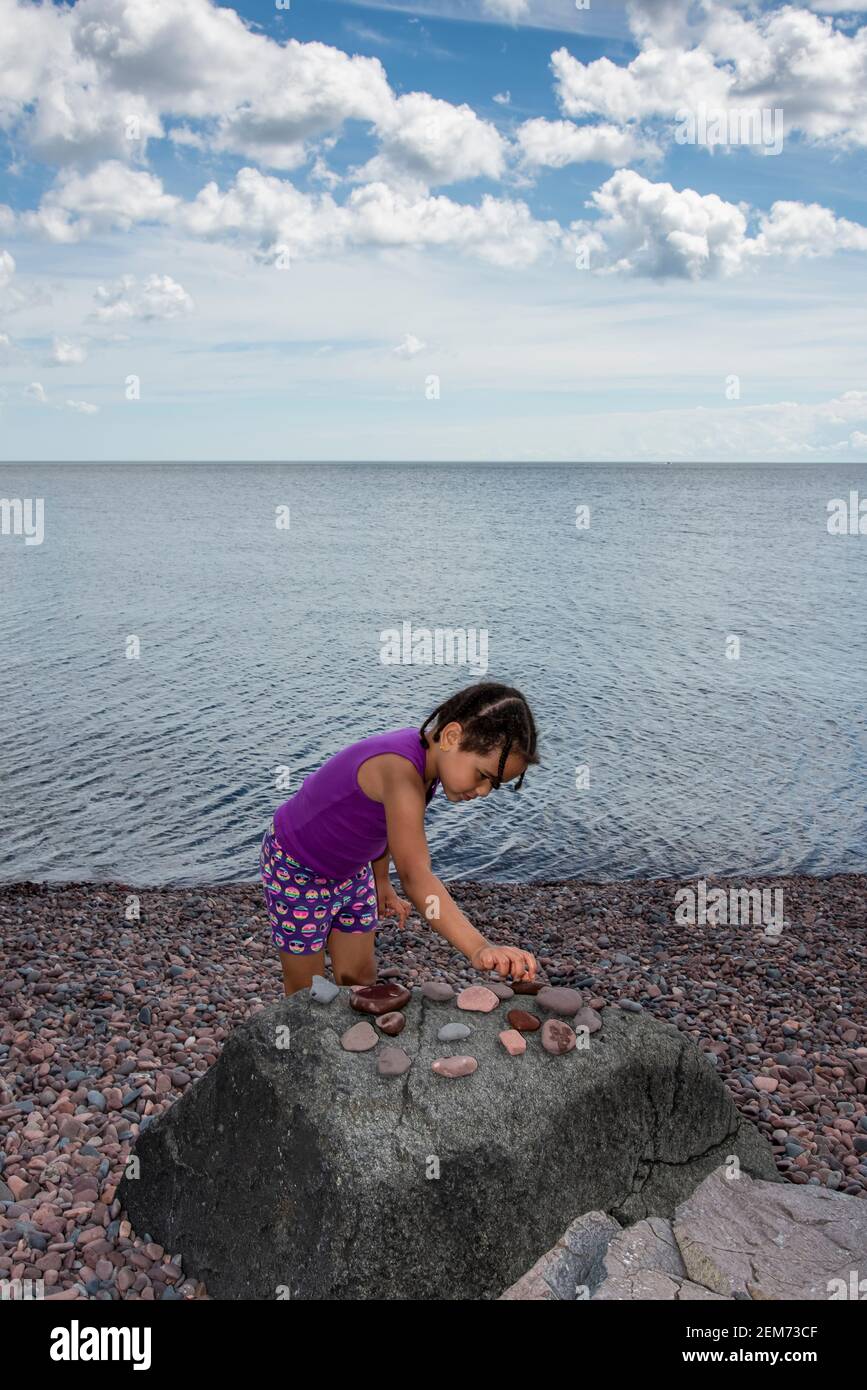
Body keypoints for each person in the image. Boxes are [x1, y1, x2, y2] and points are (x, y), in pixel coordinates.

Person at [259, 681, 540, 996]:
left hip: (353, 870)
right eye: (483, 776)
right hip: (297, 866)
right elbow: (416, 875)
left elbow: (379, 825)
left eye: (495, 785)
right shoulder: (400, 771)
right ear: (451, 737)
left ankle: (351, 1037)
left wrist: (381, 880)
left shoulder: (430, 764)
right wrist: (478, 947)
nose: (484, 791)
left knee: (359, 976)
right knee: (306, 988)